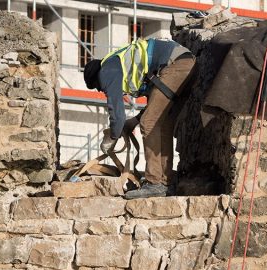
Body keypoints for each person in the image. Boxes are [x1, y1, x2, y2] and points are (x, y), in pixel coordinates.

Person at [83, 38, 196, 199]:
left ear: (97, 79)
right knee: (161, 123)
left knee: (149, 123)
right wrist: (133, 122)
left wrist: (113, 137)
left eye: (98, 87)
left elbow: (117, 112)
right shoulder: (121, 65)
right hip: (185, 63)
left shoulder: (106, 71)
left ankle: (154, 182)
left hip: (175, 64)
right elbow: (154, 106)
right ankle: (165, 182)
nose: (102, 90)